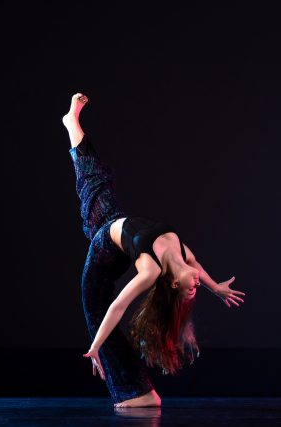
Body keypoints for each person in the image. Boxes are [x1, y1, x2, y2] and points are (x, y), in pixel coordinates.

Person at [62, 94, 245, 407]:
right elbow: (196, 265)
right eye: (197, 288)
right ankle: (71, 122)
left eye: (192, 291)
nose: (196, 286)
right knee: (93, 178)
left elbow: (118, 307)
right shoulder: (182, 254)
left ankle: (137, 393)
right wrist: (216, 288)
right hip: (112, 223)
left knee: (95, 310)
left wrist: (95, 346)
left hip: (103, 250)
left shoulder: (153, 270)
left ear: (173, 283)